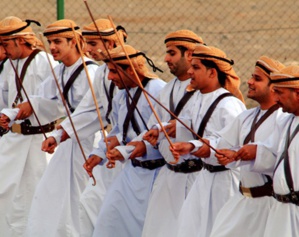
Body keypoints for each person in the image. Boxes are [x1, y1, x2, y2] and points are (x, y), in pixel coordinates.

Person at [24, 19, 99, 237]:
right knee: (52, 195)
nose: (52, 47)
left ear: (74, 42)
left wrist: (60, 134)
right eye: (49, 42)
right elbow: (43, 100)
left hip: (90, 143)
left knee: (84, 199)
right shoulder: (60, 72)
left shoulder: (90, 72)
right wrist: (14, 113)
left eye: (57, 41)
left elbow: (93, 114)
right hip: (68, 141)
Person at [84, 44, 166, 237]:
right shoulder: (122, 94)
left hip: (157, 174)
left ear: (131, 69)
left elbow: (160, 132)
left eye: (113, 71)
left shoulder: (158, 90)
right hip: (131, 172)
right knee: (109, 222)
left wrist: (127, 150)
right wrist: (99, 153)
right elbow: (119, 131)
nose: (109, 78)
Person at [132, 30, 205, 237]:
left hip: (197, 177)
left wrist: (178, 127)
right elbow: (154, 127)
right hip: (168, 177)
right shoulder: (168, 88)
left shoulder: (206, 91)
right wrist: (144, 142)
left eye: (171, 53)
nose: (165, 59)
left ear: (189, 54)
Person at [170, 44, 245, 237]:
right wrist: (165, 130)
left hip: (225, 182)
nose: (189, 71)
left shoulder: (229, 105)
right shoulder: (197, 98)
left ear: (212, 72)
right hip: (204, 178)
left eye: (195, 67)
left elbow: (230, 142)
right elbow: (193, 124)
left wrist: (193, 146)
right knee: (190, 229)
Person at [208, 56, 287, 237]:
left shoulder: (283, 119)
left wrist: (254, 153)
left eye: (257, 79)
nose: (249, 82)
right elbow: (221, 143)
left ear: (274, 87)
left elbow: (280, 156)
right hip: (242, 200)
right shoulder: (246, 116)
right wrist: (195, 146)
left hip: (269, 205)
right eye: (252, 77)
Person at [0, 16, 58, 236]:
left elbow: (60, 103)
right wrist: (5, 115)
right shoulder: (9, 65)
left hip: (40, 139)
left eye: (6, 43)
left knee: (38, 191)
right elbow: (5, 98)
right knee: (5, 191)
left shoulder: (46, 61)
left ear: (20, 41)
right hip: (13, 138)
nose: (4, 50)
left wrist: (34, 106)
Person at [253, 65, 299, 237]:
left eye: (280, 92)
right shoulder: (285, 121)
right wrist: (236, 154)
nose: (275, 98)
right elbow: (271, 153)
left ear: (297, 93)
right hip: (280, 211)